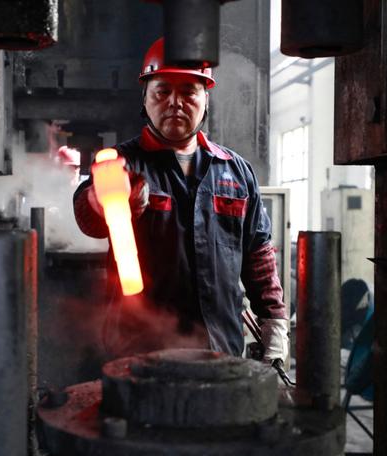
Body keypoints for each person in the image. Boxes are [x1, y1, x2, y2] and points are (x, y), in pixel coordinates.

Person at [73, 37, 288, 364]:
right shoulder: (121, 163)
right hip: (139, 353)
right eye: (162, 91)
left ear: (206, 99)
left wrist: (274, 326)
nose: (175, 102)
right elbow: (89, 219)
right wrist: (100, 199)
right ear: (145, 98)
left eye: (188, 91)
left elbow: (258, 256)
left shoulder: (236, 172)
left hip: (221, 350)